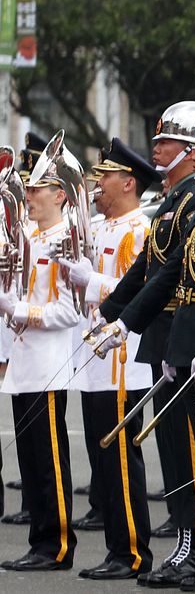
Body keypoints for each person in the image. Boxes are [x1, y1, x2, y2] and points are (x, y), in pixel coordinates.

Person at [92, 107, 195, 589]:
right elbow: (165, 273)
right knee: (177, 450)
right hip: (179, 338)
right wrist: (122, 320)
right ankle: (190, 544)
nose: (194, 154)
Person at [97, 101, 195, 547]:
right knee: (171, 447)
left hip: (183, 334)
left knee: (188, 446)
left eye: (167, 141)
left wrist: (126, 322)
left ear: (191, 149)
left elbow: (171, 275)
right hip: (162, 334)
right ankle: (185, 538)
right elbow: (145, 269)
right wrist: (111, 316)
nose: (157, 147)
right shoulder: (171, 202)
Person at [58, 137, 159, 579]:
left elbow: (138, 289)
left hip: (124, 360)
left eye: (106, 177)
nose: (98, 184)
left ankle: (132, 552)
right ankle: (117, 548)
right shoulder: (98, 227)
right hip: (94, 356)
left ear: (129, 183)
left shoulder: (139, 229)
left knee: (120, 461)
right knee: (103, 462)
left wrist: (92, 280)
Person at [0, 137, 84, 571]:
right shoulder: (30, 236)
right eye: (28, 190)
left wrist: (19, 309)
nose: (29, 197)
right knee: (31, 460)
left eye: (38, 190)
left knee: (49, 460)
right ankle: (40, 541)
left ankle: (57, 546)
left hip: (49, 362)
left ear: (61, 196)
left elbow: (70, 311)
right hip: (25, 359)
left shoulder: (64, 241)